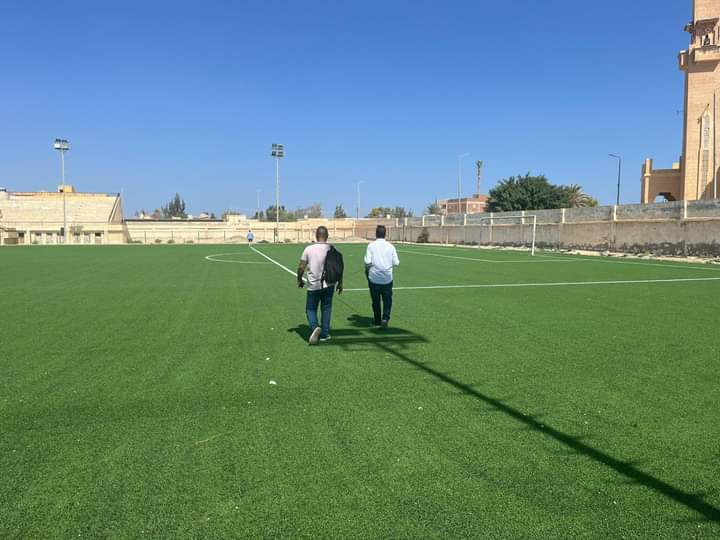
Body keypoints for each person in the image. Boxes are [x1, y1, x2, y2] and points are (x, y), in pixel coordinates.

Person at [297, 226, 343, 345]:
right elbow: (339, 267)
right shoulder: (332, 249)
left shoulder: (309, 249)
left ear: (316, 236)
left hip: (314, 285)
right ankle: (324, 334)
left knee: (310, 309)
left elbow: (301, 267)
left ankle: (314, 327)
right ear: (327, 236)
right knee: (326, 309)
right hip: (329, 284)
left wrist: (299, 279)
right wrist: (340, 283)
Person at [364, 225, 400, 328]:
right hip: (387, 279)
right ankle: (385, 318)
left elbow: (367, 261)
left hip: (374, 278)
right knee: (387, 300)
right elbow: (396, 262)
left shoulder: (371, 246)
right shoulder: (391, 246)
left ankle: (377, 321)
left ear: (376, 234)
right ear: (385, 234)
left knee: (375, 301)